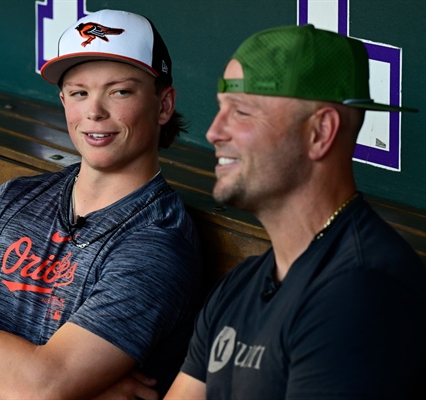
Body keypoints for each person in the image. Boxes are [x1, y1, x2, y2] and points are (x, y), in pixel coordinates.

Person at [0, 9, 202, 400]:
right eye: (79, 93)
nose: (94, 111)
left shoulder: (157, 244)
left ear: (163, 105)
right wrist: (76, 392)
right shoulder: (14, 199)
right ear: (63, 100)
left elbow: (40, 386)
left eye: (119, 91)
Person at [163, 25, 425, 399]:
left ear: (320, 132)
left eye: (241, 112)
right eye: (221, 110)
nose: (213, 132)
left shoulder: (364, 292)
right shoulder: (241, 285)